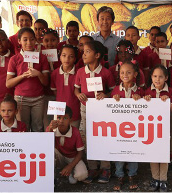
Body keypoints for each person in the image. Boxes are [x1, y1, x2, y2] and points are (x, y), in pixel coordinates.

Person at [74, 41, 115, 184]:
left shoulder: (106, 73)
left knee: (103, 137)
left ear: (97, 55)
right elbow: (76, 89)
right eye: (83, 51)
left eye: (87, 52)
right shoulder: (80, 71)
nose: (83, 54)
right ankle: (92, 167)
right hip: (86, 109)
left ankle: (105, 167)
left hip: (103, 110)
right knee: (89, 138)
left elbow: (113, 90)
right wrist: (79, 95)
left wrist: (106, 95)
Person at [6, 27, 49, 132]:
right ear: (19, 41)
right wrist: (22, 76)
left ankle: (37, 148)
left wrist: (38, 74)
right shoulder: (14, 59)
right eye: (25, 39)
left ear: (35, 40)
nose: (29, 42)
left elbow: (46, 82)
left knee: (38, 126)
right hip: (21, 99)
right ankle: (24, 148)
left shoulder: (42, 58)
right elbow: (8, 84)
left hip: (38, 99)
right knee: (22, 127)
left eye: (31, 39)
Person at [144, 65, 172, 192]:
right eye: (154, 76)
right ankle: (155, 178)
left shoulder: (170, 91)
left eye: (160, 76)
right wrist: (145, 100)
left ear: (166, 78)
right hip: (151, 129)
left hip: (165, 129)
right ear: (151, 77)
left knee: (164, 154)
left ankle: (163, 179)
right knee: (153, 154)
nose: (157, 79)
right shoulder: (147, 91)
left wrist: (168, 102)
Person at [111, 60, 143, 191]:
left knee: (133, 152)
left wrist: (141, 98)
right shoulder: (115, 91)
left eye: (129, 72)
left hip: (135, 129)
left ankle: (132, 175)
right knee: (119, 152)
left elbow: (147, 106)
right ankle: (119, 175)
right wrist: (114, 99)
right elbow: (109, 109)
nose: (125, 75)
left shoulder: (140, 91)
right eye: (122, 72)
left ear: (135, 74)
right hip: (119, 129)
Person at [46, 106, 88, 184]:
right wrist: (50, 130)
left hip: (73, 158)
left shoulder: (75, 132)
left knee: (82, 175)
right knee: (52, 150)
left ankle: (70, 172)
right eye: (58, 118)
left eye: (65, 118)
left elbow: (80, 153)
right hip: (59, 157)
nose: (61, 121)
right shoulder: (51, 129)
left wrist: (70, 166)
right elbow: (46, 146)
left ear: (70, 120)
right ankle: (51, 176)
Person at [51, 44, 80, 128]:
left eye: (70, 56)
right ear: (59, 57)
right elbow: (55, 91)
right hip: (59, 112)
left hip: (74, 112)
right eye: (64, 55)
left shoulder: (79, 73)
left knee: (73, 134)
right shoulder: (55, 74)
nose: (67, 59)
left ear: (75, 59)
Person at [41, 28, 60, 129]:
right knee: (47, 124)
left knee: (59, 123)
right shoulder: (39, 57)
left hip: (60, 95)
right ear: (42, 42)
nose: (50, 43)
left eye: (53, 40)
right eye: (46, 40)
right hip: (45, 95)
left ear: (58, 40)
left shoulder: (63, 55)